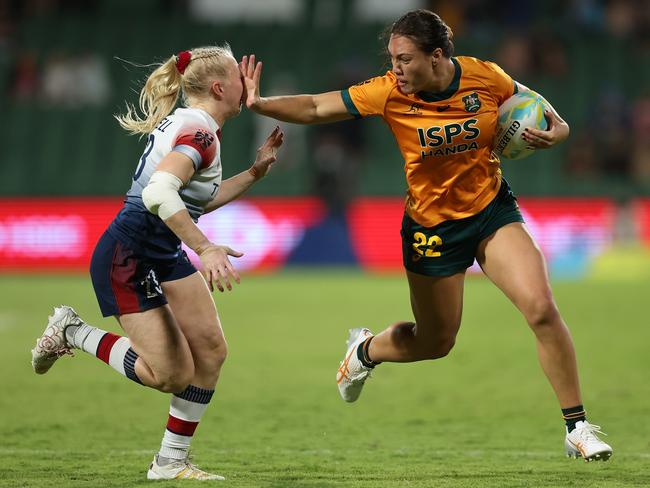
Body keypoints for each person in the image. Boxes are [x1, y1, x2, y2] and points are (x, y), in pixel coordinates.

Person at [240, 9, 613, 462]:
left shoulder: (485, 76)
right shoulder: (389, 92)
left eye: (404, 59)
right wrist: (261, 103)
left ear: (436, 56)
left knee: (541, 309)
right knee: (435, 342)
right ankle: (366, 350)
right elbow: (319, 106)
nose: (395, 68)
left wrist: (558, 133)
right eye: (392, 59)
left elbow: (549, 116)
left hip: (491, 209)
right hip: (432, 228)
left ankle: (577, 427)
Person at [30, 44, 284, 480]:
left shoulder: (199, 127)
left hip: (159, 251)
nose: (248, 83)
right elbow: (158, 194)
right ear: (221, 87)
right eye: (240, 78)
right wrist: (205, 248)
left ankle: (170, 462)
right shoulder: (200, 133)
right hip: (128, 256)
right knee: (170, 374)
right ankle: (72, 330)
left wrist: (255, 172)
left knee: (210, 351)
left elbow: (198, 199)